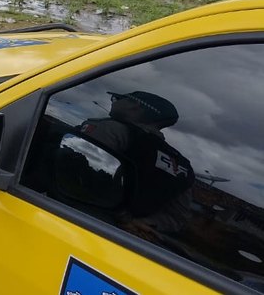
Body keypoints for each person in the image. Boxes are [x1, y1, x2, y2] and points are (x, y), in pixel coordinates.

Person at [79, 91, 194, 237]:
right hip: (126, 238)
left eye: (117, 99)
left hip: (79, 217)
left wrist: (121, 216)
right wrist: (139, 223)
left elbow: (77, 173)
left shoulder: (111, 129)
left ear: (135, 106)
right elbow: (177, 218)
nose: (113, 102)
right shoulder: (181, 166)